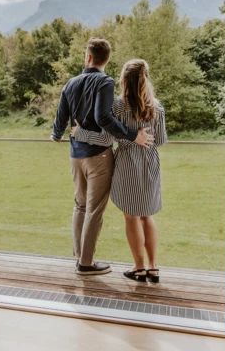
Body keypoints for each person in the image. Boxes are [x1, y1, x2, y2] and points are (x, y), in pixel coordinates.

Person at [51, 39, 154, 276]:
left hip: (75, 155)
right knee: (94, 210)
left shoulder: (71, 82)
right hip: (98, 156)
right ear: (107, 59)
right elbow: (103, 119)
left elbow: (60, 117)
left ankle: (79, 257)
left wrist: (56, 134)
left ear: (88, 57)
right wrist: (132, 135)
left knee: (80, 205)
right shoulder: (105, 82)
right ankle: (86, 264)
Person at [70, 59, 167, 283]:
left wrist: (80, 133)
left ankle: (139, 267)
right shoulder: (157, 107)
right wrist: (144, 138)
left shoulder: (118, 106)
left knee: (131, 216)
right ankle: (153, 268)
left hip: (126, 165)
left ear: (123, 80)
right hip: (150, 165)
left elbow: (106, 138)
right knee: (147, 215)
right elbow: (160, 140)